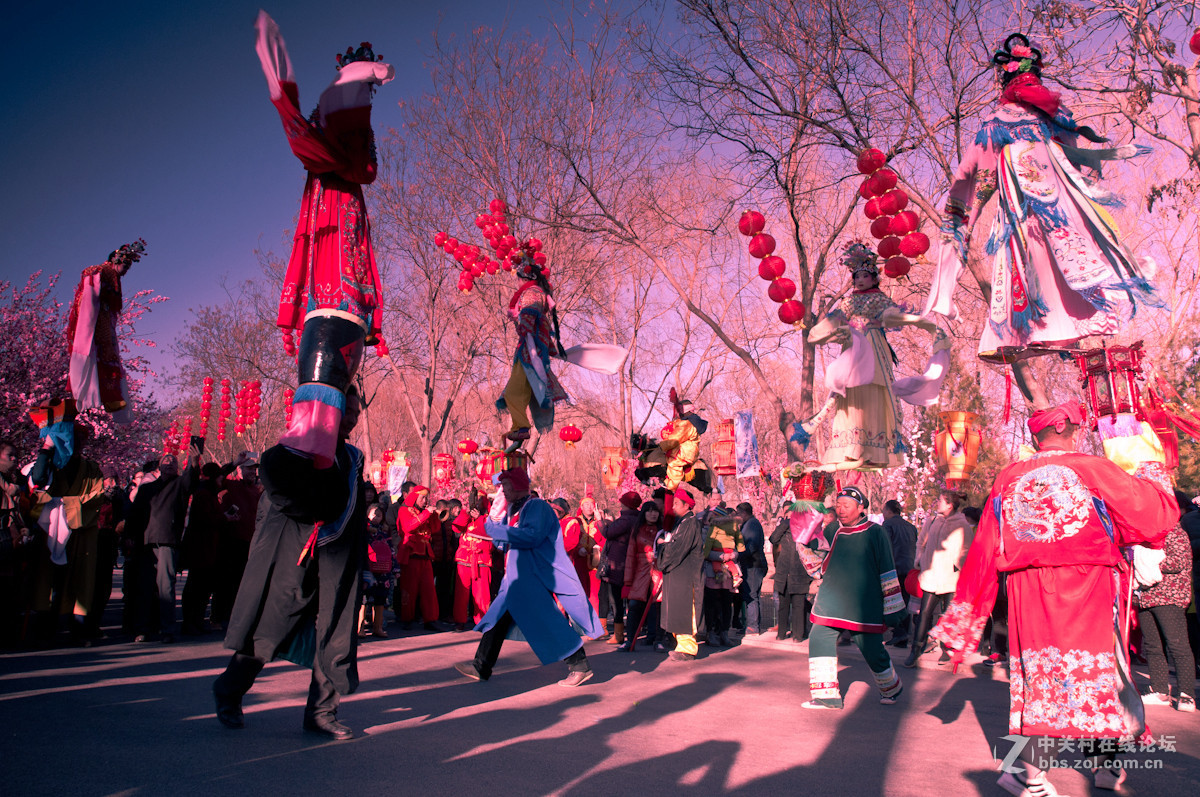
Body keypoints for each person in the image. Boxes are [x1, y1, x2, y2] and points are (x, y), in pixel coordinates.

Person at [931, 400, 1178, 795]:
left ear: (1036, 435)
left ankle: (1081, 769)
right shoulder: (1091, 468)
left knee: (1044, 679)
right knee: (1094, 675)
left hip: (1028, 592)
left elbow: (985, 545)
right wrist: (1149, 466)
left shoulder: (1010, 476)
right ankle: (1029, 775)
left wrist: (966, 610)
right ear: (1071, 429)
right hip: (1086, 587)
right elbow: (1152, 518)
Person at [927, 33, 1157, 409]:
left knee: (1038, 278)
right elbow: (1084, 172)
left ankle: (1045, 328)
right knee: (1069, 269)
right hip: (1065, 223)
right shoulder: (1056, 125)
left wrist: (946, 276)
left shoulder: (997, 128)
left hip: (1031, 228)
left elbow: (965, 197)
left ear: (1004, 80)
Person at [254, 11, 392, 468]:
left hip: (338, 234)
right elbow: (354, 164)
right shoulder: (325, 158)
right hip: (328, 240)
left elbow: (363, 169)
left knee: (329, 345)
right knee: (322, 347)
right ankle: (309, 451)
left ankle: (313, 453)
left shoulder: (341, 161)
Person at [213, 387, 368, 740]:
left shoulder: (351, 458)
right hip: (294, 554)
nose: (354, 416)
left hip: (335, 558)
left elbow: (353, 512)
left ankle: (321, 712)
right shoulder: (296, 449)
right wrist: (311, 511)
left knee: (335, 631)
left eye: (358, 410)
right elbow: (278, 484)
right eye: (349, 409)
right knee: (271, 627)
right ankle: (229, 690)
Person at [801, 243, 947, 470]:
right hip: (852, 349)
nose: (859, 280)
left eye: (864, 276)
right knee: (848, 394)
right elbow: (833, 322)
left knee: (875, 389)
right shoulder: (848, 302)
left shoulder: (879, 299)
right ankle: (852, 447)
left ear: (873, 278)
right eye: (856, 276)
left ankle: (872, 447)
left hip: (874, 348)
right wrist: (820, 332)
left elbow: (893, 316)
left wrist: (925, 324)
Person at [455, 467, 601, 686]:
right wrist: (495, 528)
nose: (501, 490)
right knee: (498, 618)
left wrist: (498, 531)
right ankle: (481, 665)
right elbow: (503, 542)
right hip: (515, 576)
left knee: (545, 620)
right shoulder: (514, 509)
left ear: (517, 487)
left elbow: (531, 537)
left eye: (505, 486)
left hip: (531, 575)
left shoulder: (537, 506)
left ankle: (579, 665)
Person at [801, 486, 905, 709]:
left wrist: (893, 607)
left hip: (863, 601)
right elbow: (817, 553)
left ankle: (891, 687)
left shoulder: (875, 532)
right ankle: (826, 697)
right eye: (838, 505)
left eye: (846, 505)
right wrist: (806, 527)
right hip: (831, 599)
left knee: (872, 649)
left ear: (860, 508)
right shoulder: (832, 531)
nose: (840, 510)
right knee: (819, 638)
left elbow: (887, 568)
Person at [497, 245, 569, 451]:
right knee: (518, 394)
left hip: (531, 352)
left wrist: (521, 321)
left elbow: (530, 316)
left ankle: (521, 428)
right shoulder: (537, 293)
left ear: (524, 279)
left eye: (518, 278)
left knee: (512, 394)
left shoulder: (532, 292)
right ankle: (519, 429)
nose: (517, 282)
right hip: (531, 349)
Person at [127, 447, 201, 643]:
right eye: (166, 461)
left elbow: (191, 480)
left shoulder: (179, 485)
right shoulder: (147, 488)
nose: (169, 464)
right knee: (145, 587)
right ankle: (142, 628)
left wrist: (194, 462)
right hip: (147, 541)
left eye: (173, 462)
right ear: (159, 467)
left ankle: (167, 629)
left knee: (166, 587)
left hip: (168, 540)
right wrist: (129, 535)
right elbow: (135, 514)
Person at [66, 240, 144, 418]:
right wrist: (89, 321)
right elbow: (89, 295)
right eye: (126, 264)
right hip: (95, 320)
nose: (127, 269)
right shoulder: (98, 272)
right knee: (95, 354)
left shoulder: (113, 278)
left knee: (109, 357)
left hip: (105, 323)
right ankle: (91, 395)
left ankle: (111, 397)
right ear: (117, 260)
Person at [1133, 502, 1195, 711]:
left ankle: (1186, 694)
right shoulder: (1145, 537)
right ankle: (1159, 689)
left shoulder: (1175, 533)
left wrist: (1147, 565)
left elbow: (1178, 561)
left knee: (1177, 646)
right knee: (1152, 646)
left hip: (1169, 596)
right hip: (1147, 596)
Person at [904, 490, 973, 668]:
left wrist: (957, 565)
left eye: (941, 501)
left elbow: (967, 549)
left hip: (951, 578)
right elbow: (921, 542)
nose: (938, 504)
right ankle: (916, 649)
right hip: (932, 575)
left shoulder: (962, 524)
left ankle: (947, 649)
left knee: (949, 615)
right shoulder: (932, 520)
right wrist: (920, 560)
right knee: (924, 614)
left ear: (950, 504)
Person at [656, 490, 705, 661]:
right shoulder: (682, 523)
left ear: (686, 505)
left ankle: (688, 648)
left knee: (686, 610)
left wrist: (663, 547)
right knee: (678, 609)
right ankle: (680, 644)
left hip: (687, 576)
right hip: (679, 574)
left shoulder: (691, 523)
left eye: (677, 503)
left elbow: (677, 549)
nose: (673, 506)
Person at [620, 499, 664, 651]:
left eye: (655, 511)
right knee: (634, 605)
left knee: (656, 607)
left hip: (658, 571)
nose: (653, 514)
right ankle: (629, 639)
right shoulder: (637, 530)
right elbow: (631, 555)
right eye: (649, 511)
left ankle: (657, 638)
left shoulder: (663, 530)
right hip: (640, 571)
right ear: (643, 513)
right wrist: (628, 579)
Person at [396, 485, 441, 630]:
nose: (425, 500)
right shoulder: (404, 510)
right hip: (412, 555)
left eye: (426, 497)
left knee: (429, 589)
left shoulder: (424, 512)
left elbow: (434, 529)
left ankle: (430, 619)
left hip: (425, 555)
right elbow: (408, 527)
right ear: (415, 498)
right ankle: (407, 618)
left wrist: (434, 515)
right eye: (422, 497)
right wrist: (427, 514)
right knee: (409, 589)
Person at [600, 491, 640, 647]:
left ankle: (619, 634)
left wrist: (601, 522)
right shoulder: (637, 519)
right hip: (630, 564)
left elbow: (608, 533)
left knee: (616, 600)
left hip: (618, 565)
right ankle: (632, 632)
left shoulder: (625, 520)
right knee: (630, 600)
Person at [769, 502, 814, 643]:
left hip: (799, 572)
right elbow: (773, 539)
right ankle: (781, 633)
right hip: (783, 572)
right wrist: (785, 523)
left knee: (798, 605)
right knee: (783, 605)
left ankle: (798, 635)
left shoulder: (807, 528)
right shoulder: (784, 528)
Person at [702, 510, 745, 647]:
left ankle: (724, 632)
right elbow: (704, 552)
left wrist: (733, 555)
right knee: (711, 604)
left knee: (727, 603)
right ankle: (711, 632)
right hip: (712, 572)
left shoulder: (732, 529)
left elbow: (738, 547)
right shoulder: (705, 531)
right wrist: (721, 557)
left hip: (727, 572)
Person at [452, 493, 494, 629]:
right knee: (461, 592)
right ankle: (460, 621)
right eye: (475, 500)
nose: (477, 502)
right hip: (464, 557)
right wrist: (466, 513)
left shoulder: (490, 517)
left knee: (482, 594)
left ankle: (482, 621)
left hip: (481, 559)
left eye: (480, 500)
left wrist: (480, 518)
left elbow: (490, 533)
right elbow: (456, 527)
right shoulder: (467, 515)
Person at [880, 499, 917, 647]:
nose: (883, 514)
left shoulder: (888, 525)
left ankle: (899, 632)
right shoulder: (911, 527)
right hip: (908, 568)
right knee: (905, 601)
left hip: (893, 568)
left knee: (892, 601)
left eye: (884, 511)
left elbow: (884, 547)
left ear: (889, 511)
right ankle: (903, 635)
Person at [735, 502, 768, 635]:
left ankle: (753, 626)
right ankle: (752, 624)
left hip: (753, 565)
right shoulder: (749, 524)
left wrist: (739, 555)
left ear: (743, 513)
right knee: (753, 596)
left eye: (738, 513)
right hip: (752, 564)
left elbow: (752, 546)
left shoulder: (752, 524)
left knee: (751, 595)